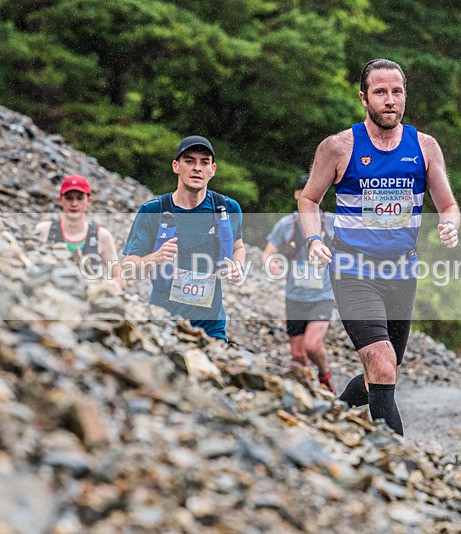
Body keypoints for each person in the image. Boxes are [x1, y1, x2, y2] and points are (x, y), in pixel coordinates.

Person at [298, 58, 460, 436]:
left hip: (401, 272)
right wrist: (314, 240)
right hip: (353, 270)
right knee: (383, 364)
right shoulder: (338, 147)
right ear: (364, 98)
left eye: (397, 91)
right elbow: (308, 199)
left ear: (405, 96)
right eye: (380, 92)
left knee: (383, 374)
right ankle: (399, 462)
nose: (390, 100)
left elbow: (448, 205)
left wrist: (450, 225)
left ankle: (333, 415)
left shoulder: (424, 146)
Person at [121, 135, 245, 342]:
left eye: (204, 162)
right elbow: (128, 268)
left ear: (212, 170)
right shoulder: (153, 211)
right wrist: (156, 257)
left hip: (211, 324)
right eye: (189, 161)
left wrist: (238, 267)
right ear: (176, 166)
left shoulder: (227, 209)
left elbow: (238, 247)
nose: (197, 168)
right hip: (164, 322)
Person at [262, 174, 336, 393]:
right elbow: (267, 254)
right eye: (305, 191)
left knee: (311, 346)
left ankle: (324, 375)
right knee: (297, 355)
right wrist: (272, 264)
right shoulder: (287, 225)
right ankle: (310, 394)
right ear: (297, 195)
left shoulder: (331, 222)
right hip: (294, 296)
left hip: (323, 296)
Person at [35, 174, 125, 287]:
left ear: (89, 201)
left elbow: (119, 279)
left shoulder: (101, 236)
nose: (74, 204)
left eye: (80, 198)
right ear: (60, 200)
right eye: (69, 198)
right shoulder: (44, 230)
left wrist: (99, 285)